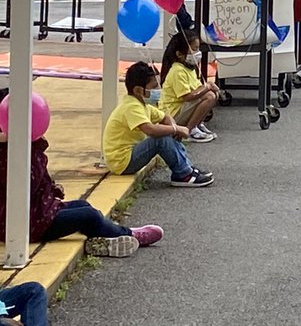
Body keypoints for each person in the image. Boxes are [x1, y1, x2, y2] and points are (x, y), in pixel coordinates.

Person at [0, 134, 163, 259]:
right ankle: (128, 234)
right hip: (29, 224)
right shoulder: (15, 157)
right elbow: (28, 187)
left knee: (82, 205)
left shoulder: (22, 153)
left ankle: (104, 238)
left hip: (37, 212)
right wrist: (35, 150)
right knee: (88, 215)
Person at [103, 61, 214, 187]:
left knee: (168, 132)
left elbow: (165, 117)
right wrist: (175, 129)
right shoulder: (131, 107)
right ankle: (183, 174)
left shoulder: (142, 105)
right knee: (160, 139)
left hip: (130, 155)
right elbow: (150, 130)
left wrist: (174, 128)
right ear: (139, 90)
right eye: (154, 87)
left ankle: (186, 167)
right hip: (122, 161)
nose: (158, 90)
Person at [159, 30, 219, 142]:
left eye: (198, 48)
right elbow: (187, 97)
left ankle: (196, 124)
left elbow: (197, 89)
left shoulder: (189, 67)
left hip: (181, 109)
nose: (198, 52)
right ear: (179, 54)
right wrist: (207, 87)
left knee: (212, 94)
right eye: (194, 49)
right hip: (172, 113)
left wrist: (208, 87)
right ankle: (188, 130)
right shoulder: (177, 71)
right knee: (209, 96)